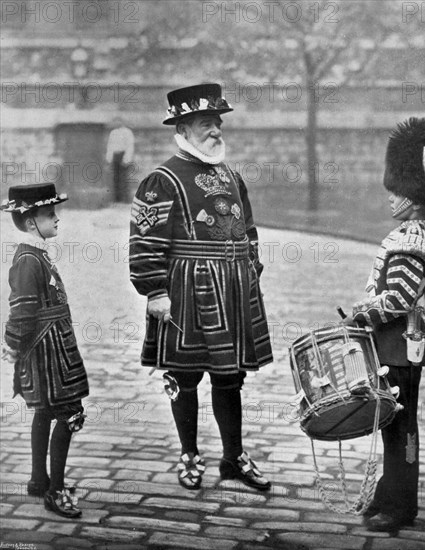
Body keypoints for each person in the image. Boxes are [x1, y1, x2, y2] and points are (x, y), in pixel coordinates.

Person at [129, 83, 273, 491]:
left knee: (230, 377)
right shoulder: (161, 180)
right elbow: (144, 241)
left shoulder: (231, 176)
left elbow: (248, 228)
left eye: (219, 124)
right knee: (185, 375)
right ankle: (190, 453)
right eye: (208, 124)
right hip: (186, 290)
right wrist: (155, 290)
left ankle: (234, 457)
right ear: (185, 128)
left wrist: (250, 270)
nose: (217, 132)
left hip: (232, 290)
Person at [343, 118, 425, 532]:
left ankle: (401, 506)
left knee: (401, 425)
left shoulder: (411, 237)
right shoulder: (409, 231)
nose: (391, 197)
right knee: (391, 421)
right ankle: (389, 492)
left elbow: (398, 299)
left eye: (397, 190)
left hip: (400, 341)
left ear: (414, 195)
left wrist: (363, 314)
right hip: (391, 341)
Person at [1, 183, 89, 518]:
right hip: (46, 354)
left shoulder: (37, 254)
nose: (57, 219)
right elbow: (21, 310)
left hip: (54, 350)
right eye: (49, 214)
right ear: (29, 223)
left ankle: (40, 479)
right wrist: (12, 346)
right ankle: (56, 490)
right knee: (69, 414)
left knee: (44, 412)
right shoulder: (27, 260)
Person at [106, 117, 135, 202]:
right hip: (115, 156)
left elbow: (130, 146)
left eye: (119, 122)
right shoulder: (113, 133)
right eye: (116, 122)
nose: (117, 123)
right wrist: (109, 158)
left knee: (124, 178)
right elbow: (110, 146)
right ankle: (117, 199)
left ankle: (125, 199)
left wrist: (126, 158)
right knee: (116, 178)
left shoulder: (127, 132)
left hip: (123, 155)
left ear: (122, 122)